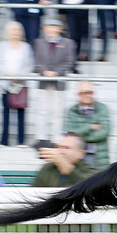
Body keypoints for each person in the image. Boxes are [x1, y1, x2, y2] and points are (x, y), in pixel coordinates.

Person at [34, 18, 76, 147]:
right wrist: (44, 71)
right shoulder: (38, 43)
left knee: (58, 111)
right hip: (43, 80)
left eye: (55, 27)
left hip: (59, 81)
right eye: (49, 26)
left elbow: (70, 61)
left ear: (60, 29)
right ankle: (41, 137)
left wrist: (57, 72)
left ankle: (56, 138)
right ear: (44, 29)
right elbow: (35, 61)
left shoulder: (68, 43)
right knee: (42, 110)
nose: (52, 30)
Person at [0, 21, 33, 147]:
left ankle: (21, 141)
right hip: (5, 83)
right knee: (5, 112)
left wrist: (19, 77)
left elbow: (29, 65)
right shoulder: (1, 46)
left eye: (18, 30)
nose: (15, 32)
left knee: (21, 112)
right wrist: (8, 74)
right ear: (8, 32)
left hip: (20, 83)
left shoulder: (26, 47)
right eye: (13, 30)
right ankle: (4, 140)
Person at [64, 80, 111, 169]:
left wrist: (80, 138)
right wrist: (90, 127)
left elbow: (104, 132)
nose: (89, 95)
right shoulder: (71, 111)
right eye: (85, 92)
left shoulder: (102, 109)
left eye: (91, 92)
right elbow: (70, 134)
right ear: (79, 94)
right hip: (76, 155)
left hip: (97, 156)